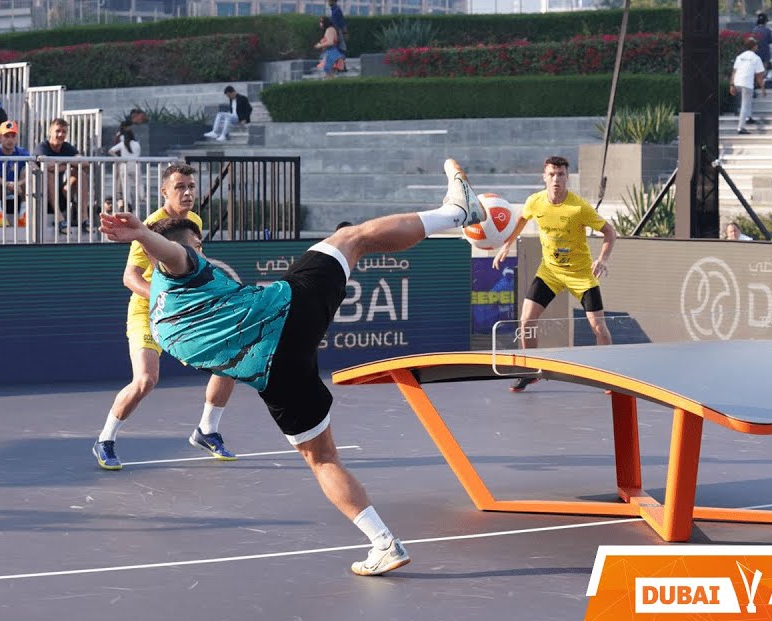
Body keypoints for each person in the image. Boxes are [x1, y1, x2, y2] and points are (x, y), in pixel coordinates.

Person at [95, 158, 487, 575]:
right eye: (196, 245)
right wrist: (143, 234)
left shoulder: (164, 317)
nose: (200, 250)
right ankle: (458, 212)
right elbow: (173, 253)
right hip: (291, 311)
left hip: (277, 375)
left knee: (322, 460)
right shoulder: (182, 269)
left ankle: (384, 542)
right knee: (352, 238)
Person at [93, 163, 240, 471]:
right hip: (147, 311)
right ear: (164, 191)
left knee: (230, 360)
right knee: (145, 380)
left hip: (182, 313)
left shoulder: (194, 221)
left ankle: (207, 430)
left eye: (191, 187)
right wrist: (165, 298)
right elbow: (130, 277)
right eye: (179, 187)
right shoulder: (149, 227)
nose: (187, 193)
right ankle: (105, 440)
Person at [490, 156, 618, 392]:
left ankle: (609, 375)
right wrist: (507, 245)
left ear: (567, 177)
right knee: (526, 320)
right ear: (544, 176)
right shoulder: (535, 201)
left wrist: (602, 259)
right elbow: (520, 220)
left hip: (581, 275)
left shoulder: (579, 207)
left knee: (598, 327)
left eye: (560, 175)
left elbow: (610, 232)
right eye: (551, 174)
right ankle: (530, 372)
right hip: (549, 271)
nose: (556, 179)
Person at [37, 117, 90, 233]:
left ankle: (84, 218)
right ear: (50, 132)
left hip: (62, 195)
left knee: (80, 172)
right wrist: (68, 162)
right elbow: (48, 166)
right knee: (50, 173)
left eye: (64, 132)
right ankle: (59, 219)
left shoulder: (66, 147)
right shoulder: (43, 147)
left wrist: (62, 162)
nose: (60, 134)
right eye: (57, 131)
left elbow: (85, 162)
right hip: (41, 198)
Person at [0, 119, 29, 228]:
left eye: (13, 136)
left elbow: (34, 170)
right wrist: (6, 184)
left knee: (27, 170)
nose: (10, 140)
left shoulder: (22, 152)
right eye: (7, 136)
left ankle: (23, 214)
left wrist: (18, 183)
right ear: (0, 137)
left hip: (17, 190)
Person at [730, 37, 766, 136]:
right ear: (754, 47)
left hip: (737, 81)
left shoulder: (740, 56)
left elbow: (734, 71)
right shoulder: (756, 58)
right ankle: (740, 127)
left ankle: (749, 117)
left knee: (747, 100)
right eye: (756, 45)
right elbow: (759, 75)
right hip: (746, 83)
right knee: (745, 105)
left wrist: (732, 85)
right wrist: (763, 88)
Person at [750, 13, 772, 87]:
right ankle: (762, 83)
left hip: (756, 51)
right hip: (765, 52)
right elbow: (771, 40)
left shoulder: (754, 30)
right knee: (763, 67)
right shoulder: (767, 30)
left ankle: (757, 84)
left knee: (756, 68)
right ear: (765, 21)